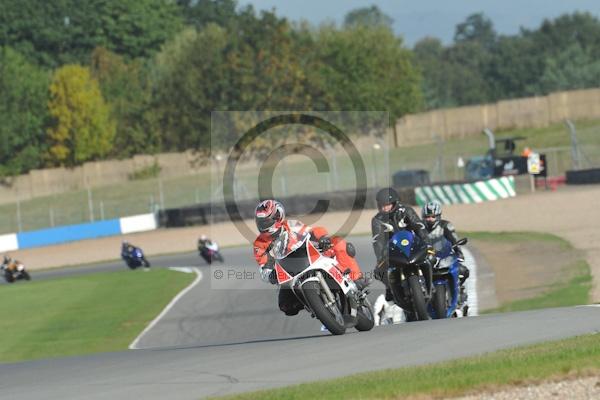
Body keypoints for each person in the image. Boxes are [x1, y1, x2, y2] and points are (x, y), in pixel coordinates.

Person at [253, 199, 368, 316]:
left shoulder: (291, 225)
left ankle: (356, 279)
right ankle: (315, 306)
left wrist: (323, 237)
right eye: (260, 222)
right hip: (290, 275)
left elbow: (312, 231)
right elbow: (263, 267)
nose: (263, 226)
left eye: (266, 222)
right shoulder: (259, 244)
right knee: (286, 306)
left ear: (278, 217)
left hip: (312, 258)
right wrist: (270, 275)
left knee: (338, 243)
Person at [371, 187, 432, 299]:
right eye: (382, 204)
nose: (384, 207)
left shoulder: (406, 211)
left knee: (432, 258)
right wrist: (380, 258)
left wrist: (427, 243)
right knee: (379, 272)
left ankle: (432, 284)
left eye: (387, 204)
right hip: (393, 250)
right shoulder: (377, 220)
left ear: (394, 203)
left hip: (413, 245)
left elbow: (419, 227)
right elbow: (377, 240)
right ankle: (391, 290)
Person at [421, 200, 470, 306]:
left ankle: (460, 291)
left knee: (463, 271)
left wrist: (458, 252)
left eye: (433, 216)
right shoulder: (419, 228)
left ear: (438, 216)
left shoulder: (446, 225)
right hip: (426, 258)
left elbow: (454, 240)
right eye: (427, 217)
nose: (430, 219)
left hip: (444, 255)